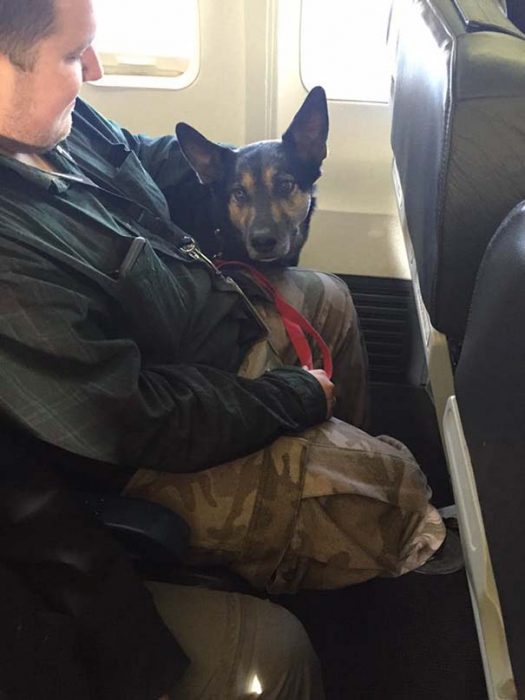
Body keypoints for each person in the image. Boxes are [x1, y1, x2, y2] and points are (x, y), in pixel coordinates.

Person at [0, 0, 457, 639]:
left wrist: (233, 174)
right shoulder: (10, 253)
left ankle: (336, 491)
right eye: (75, 55)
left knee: (333, 301)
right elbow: (132, 418)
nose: (97, 70)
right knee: (396, 486)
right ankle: (367, 555)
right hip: (153, 443)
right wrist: (289, 398)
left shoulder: (60, 125)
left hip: (202, 328)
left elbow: (144, 156)